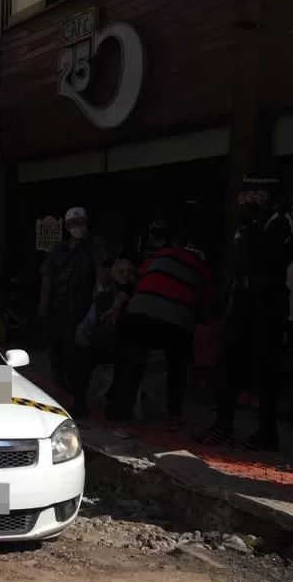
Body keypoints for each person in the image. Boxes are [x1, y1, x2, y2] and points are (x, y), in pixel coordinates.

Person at [196, 173, 293, 450]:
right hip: (243, 301)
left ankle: (267, 433)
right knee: (228, 364)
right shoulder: (251, 223)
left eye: (251, 195)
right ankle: (223, 426)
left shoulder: (279, 221)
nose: (243, 200)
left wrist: (251, 226)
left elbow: (268, 261)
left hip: (267, 302)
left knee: (265, 370)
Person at [106, 236, 214, 428]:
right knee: (177, 365)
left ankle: (120, 413)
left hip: (139, 313)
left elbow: (137, 277)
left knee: (130, 362)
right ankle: (173, 414)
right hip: (175, 323)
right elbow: (205, 306)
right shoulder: (203, 270)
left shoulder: (162, 254)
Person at [39, 207, 106, 396]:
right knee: (55, 349)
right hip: (56, 306)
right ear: (67, 227)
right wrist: (43, 304)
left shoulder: (92, 248)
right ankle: (60, 384)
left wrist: (96, 251)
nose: (79, 228)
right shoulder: (58, 249)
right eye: (74, 224)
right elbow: (47, 276)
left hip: (79, 308)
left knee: (73, 351)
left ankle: (73, 391)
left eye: (82, 223)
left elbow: (103, 278)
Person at [70, 257, 136, 418]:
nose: (125, 275)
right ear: (113, 274)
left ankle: (116, 407)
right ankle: (78, 403)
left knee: (128, 358)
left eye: (129, 272)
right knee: (82, 354)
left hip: (128, 344)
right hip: (104, 343)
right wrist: (81, 333)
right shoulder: (103, 298)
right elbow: (87, 323)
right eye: (121, 271)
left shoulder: (138, 295)